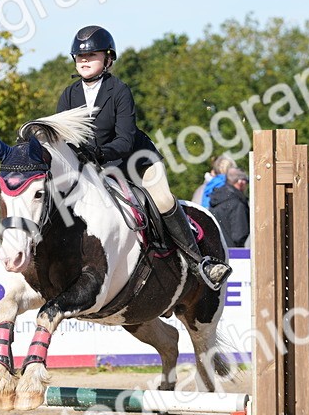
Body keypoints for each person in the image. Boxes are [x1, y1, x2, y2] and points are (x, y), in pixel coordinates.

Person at [54, 25, 230, 289]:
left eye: (92, 55)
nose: (85, 60)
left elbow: (124, 140)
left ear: (108, 59)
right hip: (93, 168)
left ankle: (199, 261)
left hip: (135, 161)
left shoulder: (120, 91)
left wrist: (97, 153)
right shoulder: (69, 95)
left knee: (161, 199)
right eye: (80, 56)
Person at [209, 167, 250, 248]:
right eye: (246, 182)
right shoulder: (238, 204)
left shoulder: (216, 198)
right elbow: (239, 235)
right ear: (240, 182)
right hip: (233, 254)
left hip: (217, 252)